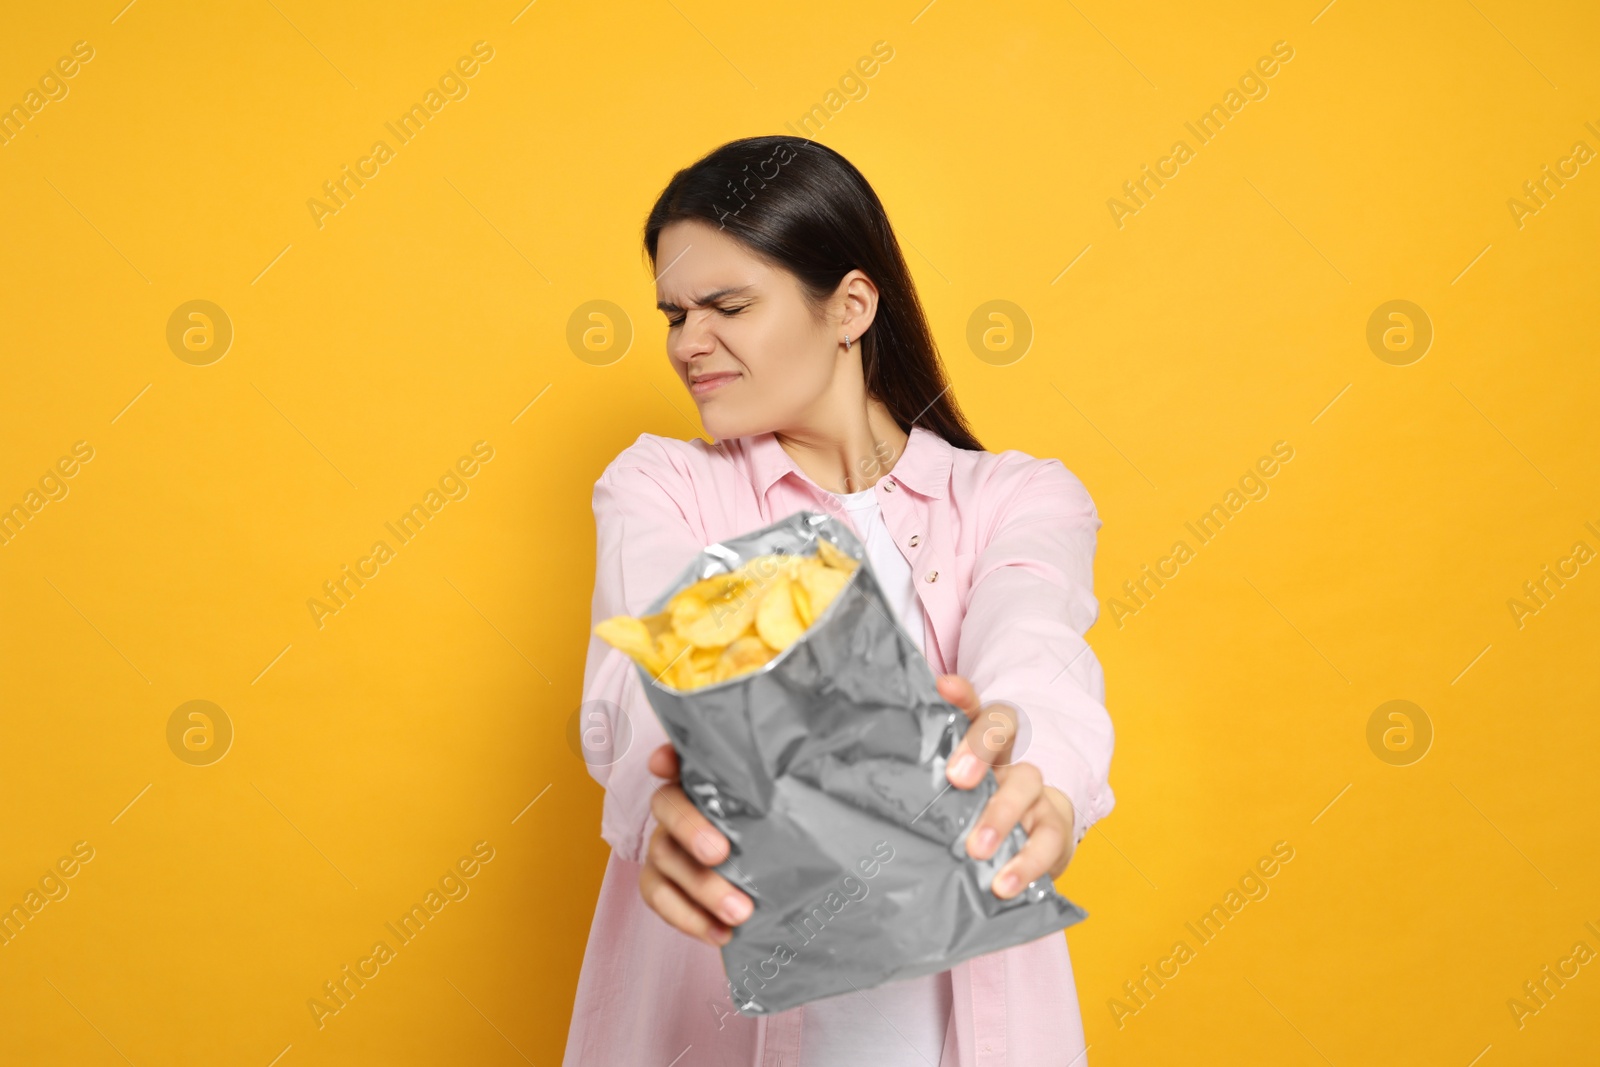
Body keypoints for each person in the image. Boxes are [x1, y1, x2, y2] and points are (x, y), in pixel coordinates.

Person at [563, 136, 1115, 1067]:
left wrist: (1035, 762)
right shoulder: (661, 486)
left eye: (728, 306)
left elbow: (1035, 642)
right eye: (674, 313)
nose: (688, 343)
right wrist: (661, 792)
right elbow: (645, 675)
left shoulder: (1017, 498)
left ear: (851, 305)